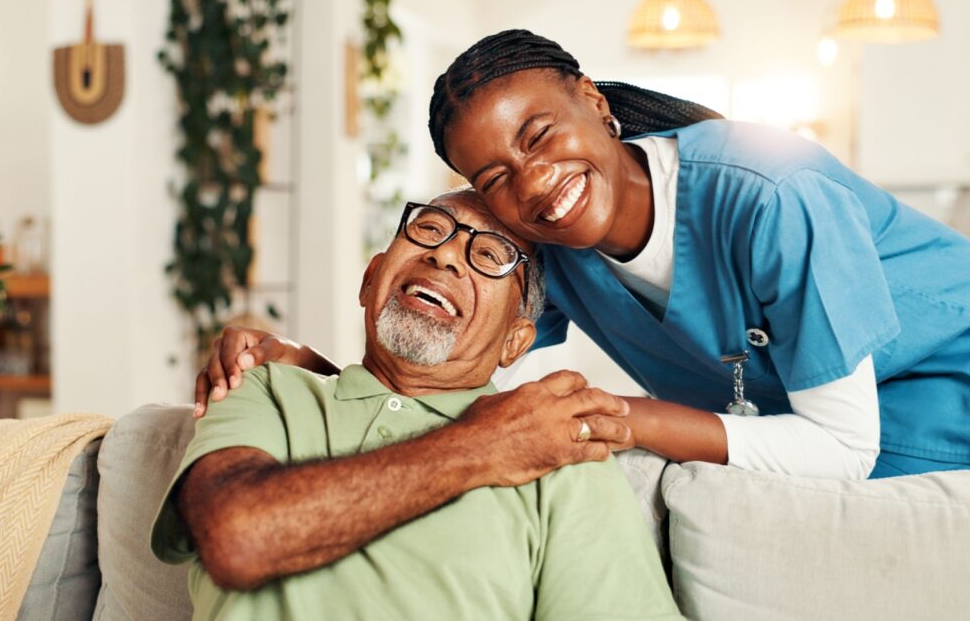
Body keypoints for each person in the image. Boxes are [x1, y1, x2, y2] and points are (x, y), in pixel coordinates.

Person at [198, 30, 970, 480]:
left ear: (594, 102)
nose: (533, 182)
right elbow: (444, 397)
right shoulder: (554, 251)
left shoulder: (772, 195)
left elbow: (841, 444)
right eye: (492, 176)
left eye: (538, 135)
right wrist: (302, 365)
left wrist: (623, 419)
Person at [152, 190, 685, 620]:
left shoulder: (559, 456)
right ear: (369, 280)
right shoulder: (267, 387)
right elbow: (236, 537)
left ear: (515, 342)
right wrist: (481, 446)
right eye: (429, 229)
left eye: (491, 257)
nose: (447, 254)